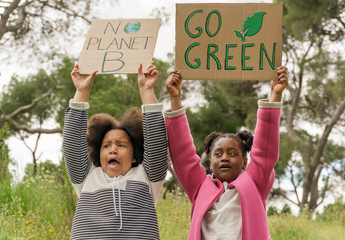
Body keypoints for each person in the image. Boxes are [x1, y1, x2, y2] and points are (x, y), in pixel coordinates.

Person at [164, 67, 288, 240]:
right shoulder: (200, 188)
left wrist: (275, 95)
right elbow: (183, 156)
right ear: (210, 162)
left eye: (232, 153)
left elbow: (265, 151)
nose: (224, 158)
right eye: (218, 154)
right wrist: (175, 97)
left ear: (245, 163)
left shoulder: (255, 182)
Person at [62, 62, 168, 239]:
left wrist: (147, 89)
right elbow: (72, 144)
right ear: (99, 153)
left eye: (121, 145)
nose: (113, 150)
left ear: (135, 156)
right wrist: (81, 92)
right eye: (106, 145)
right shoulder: (87, 177)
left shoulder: (146, 177)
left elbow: (156, 142)